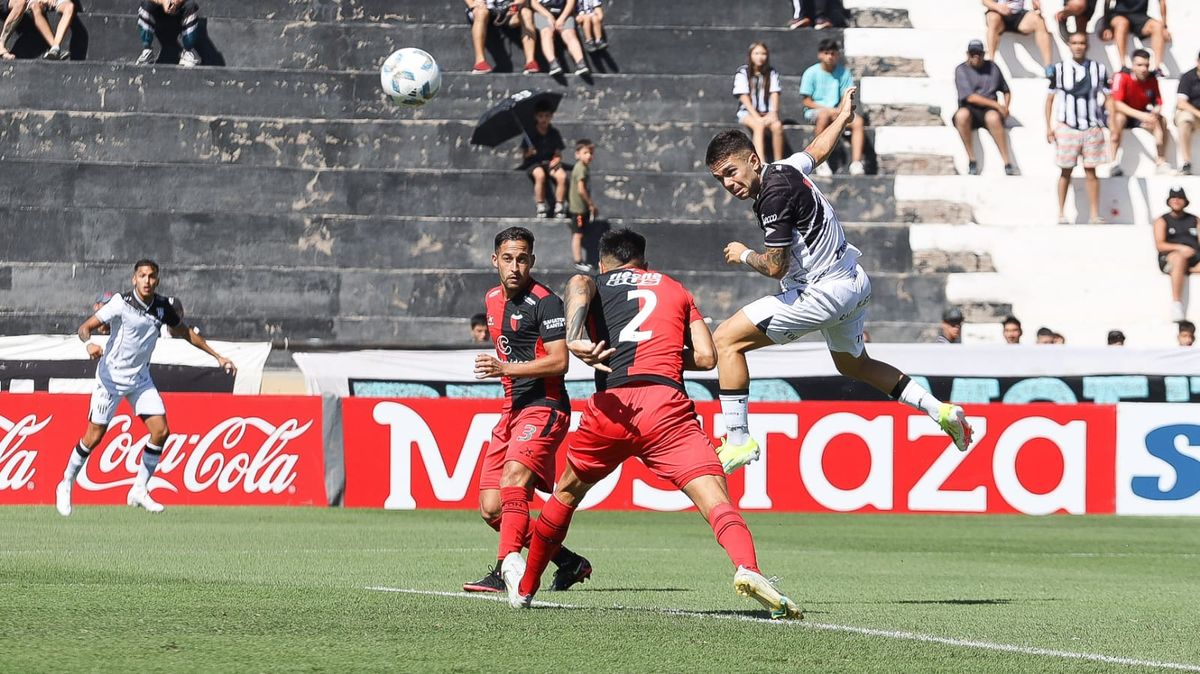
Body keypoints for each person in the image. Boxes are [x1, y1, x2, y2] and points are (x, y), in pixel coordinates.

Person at [501, 228, 802, 619]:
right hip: (666, 406)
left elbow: (577, 283)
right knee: (715, 498)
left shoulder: (596, 280)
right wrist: (659, 354)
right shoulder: (675, 288)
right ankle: (748, 567)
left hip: (613, 406)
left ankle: (525, 590)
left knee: (566, 495)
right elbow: (709, 357)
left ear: (604, 263)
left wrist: (575, 336)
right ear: (645, 263)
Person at [704, 92, 973, 476]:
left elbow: (776, 267)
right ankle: (939, 410)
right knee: (853, 364)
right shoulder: (785, 169)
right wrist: (843, 118)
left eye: (730, 172)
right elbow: (818, 148)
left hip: (822, 291)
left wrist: (744, 254)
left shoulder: (772, 198)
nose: (728, 184)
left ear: (752, 160)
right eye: (720, 179)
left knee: (726, 340)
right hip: (853, 282)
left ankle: (737, 439)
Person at [55, 259, 237, 517]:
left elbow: (186, 333)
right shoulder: (121, 303)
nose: (147, 281)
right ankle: (66, 482)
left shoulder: (162, 307)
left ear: (157, 280)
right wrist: (90, 344)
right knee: (93, 437)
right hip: (111, 379)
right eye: (142, 276)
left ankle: (139, 488)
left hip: (140, 380)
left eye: (151, 276)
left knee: (161, 431)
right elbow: (84, 328)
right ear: (134, 279)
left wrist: (217, 356)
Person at [465, 227, 592, 594]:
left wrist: (506, 369)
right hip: (512, 410)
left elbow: (559, 362)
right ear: (495, 261)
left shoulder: (546, 302)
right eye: (508, 258)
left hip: (545, 406)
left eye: (522, 259)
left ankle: (508, 568)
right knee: (492, 508)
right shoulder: (491, 300)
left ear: (532, 261)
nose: (515, 266)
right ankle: (568, 562)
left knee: (513, 482)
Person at [1046, 32, 1109, 224]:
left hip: (1091, 126)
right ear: (1069, 45)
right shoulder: (1059, 69)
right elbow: (1049, 99)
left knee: (1091, 171)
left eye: (1082, 43)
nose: (1078, 46)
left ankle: (1094, 214)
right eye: (1075, 43)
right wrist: (1049, 127)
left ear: (1087, 45)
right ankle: (1061, 213)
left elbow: (1109, 97)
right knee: (1065, 170)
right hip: (1067, 126)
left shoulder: (1098, 69)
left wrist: (1108, 121)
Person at [799, 38, 865, 176]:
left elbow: (846, 96)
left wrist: (840, 110)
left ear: (837, 55)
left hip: (836, 111)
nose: (830, 56)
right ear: (820, 54)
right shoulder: (811, 72)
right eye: (827, 53)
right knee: (823, 115)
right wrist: (828, 110)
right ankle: (819, 162)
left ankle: (856, 163)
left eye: (833, 53)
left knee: (858, 122)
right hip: (815, 112)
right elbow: (806, 101)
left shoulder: (844, 73)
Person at [954, 39, 1017, 176]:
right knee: (961, 116)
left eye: (978, 53)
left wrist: (1005, 108)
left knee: (993, 118)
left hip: (989, 110)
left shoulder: (993, 68)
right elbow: (970, 97)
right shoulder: (961, 69)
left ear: (983, 54)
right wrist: (997, 105)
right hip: (970, 108)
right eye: (973, 53)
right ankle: (972, 159)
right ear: (967, 54)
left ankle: (1007, 162)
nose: (976, 56)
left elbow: (1006, 90)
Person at [1109, 49, 1172, 176]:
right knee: (1118, 119)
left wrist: (1155, 111)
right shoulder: (1121, 76)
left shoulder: (1152, 79)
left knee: (1161, 119)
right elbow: (1116, 104)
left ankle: (1160, 161)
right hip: (1124, 114)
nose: (1143, 69)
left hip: (1140, 115)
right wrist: (1142, 115)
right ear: (1132, 64)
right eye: (1139, 65)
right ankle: (1113, 162)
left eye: (1146, 65)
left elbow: (1158, 101)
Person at [733, 42, 786, 163]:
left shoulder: (771, 72)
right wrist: (756, 116)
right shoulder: (743, 72)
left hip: (766, 112)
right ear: (750, 55)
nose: (760, 57)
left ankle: (779, 163)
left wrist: (773, 113)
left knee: (777, 126)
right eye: (756, 53)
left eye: (763, 53)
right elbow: (743, 96)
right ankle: (761, 162)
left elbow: (775, 93)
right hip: (747, 113)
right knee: (759, 126)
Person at [1154, 187, 1200, 322]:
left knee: (1183, 262)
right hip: (1171, 257)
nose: (1176, 201)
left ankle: (1185, 270)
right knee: (1179, 259)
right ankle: (1176, 303)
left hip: (1194, 258)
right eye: (1173, 198)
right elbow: (1160, 245)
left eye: (1179, 198)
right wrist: (1180, 248)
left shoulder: (1195, 220)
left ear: (1185, 201)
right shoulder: (1162, 220)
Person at [519, 100, 568, 219]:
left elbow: (558, 152)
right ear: (536, 117)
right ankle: (541, 205)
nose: (543, 119)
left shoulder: (554, 133)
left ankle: (559, 206)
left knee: (562, 176)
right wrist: (529, 152)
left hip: (549, 162)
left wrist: (556, 160)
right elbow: (524, 155)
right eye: (541, 116)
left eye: (546, 116)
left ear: (551, 117)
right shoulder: (530, 133)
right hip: (534, 163)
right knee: (540, 175)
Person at [465, 0, 539, 75]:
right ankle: (480, 61)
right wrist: (472, 4)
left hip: (507, 8)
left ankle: (530, 62)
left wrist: (515, 7)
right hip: (482, 7)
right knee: (480, 12)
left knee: (527, 13)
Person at [1100, 0, 1170, 72]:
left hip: (1140, 15)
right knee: (1122, 23)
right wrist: (1106, 26)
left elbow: (1162, 2)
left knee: (1157, 26)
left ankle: (1157, 68)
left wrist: (1164, 26)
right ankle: (1123, 65)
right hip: (1120, 14)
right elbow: (1107, 2)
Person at [981, 0, 1053, 69]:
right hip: (999, 16)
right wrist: (999, 8)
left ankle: (1048, 67)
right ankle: (991, 63)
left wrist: (1036, 5)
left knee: (1039, 20)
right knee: (993, 18)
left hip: (1019, 15)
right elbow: (985, 1)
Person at [532, 0, 588, 77]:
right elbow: (533, 3)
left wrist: (562, 18)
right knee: (546, 31)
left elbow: (571, 2)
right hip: (542, 11)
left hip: (563, 11)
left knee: (569, 33)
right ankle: (553, 63)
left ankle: (581, 63)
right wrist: (549, 16)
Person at [137, 0, 201, 67]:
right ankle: (147, 51)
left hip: (179, 8)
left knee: (191, 5)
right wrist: (163, 2)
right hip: (157, 8)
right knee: (146, 4)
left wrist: (176, 2)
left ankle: (187, 52)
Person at [567, 139, 598, 272]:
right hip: (578, 209)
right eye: (585, 152)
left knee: (579, 234)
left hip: (581, 208)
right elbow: (581, 189)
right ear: (577, 154)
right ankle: (578, 261)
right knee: (578, 234)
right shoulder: (580, 168)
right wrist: (591, 204)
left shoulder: (584, 168)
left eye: (590, 152)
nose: (589, 155)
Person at [1173, 51, 1200, 175]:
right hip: (1192, 114)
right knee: (1184, 120)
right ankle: (1186, 162)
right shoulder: (1188, 77)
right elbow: (1181, 103)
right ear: (1198, 62)